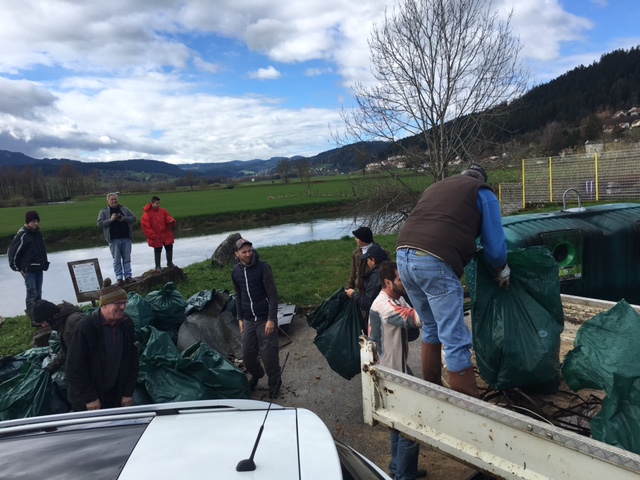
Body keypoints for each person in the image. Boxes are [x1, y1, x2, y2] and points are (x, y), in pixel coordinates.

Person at [396, 164, 509, 398]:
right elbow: (495, 247)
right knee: (454, 337)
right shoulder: (482, 192)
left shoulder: (436, 187)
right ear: (481, 179)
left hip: (403, 256)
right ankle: (468, 408)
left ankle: (433, 391)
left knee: (431, 326)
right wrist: (502, 268)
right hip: (433, 260)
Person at [370, 261, 426, 480]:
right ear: (388, 282)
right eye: (401, 280)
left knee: (396, 424)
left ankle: (398, 467)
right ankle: (403, 475)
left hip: (397, 368)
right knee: (411, 428)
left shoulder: (396, 298)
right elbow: (416, 318)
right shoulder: (386, 307)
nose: (405, 283)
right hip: (390, 373)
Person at [65, 279, 139, 411]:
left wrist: (128, 392)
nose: (123, 307)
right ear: (104, 305)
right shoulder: (86, 327)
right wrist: (90, 398)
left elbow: (133, 360)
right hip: (89, 402)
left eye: (124, 303)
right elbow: (74, 367)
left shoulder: (127, 324)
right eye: (118, 303)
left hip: (115, 397)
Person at [231, 238, 282, 398]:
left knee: (269, 355)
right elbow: (239, 296)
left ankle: (275, 383)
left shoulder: (263, 268)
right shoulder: (236, 272)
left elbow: (273, 295)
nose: (248, 254)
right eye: (244, 252)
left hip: (264, 318)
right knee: (248, 354)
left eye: (250, 251)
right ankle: (257, 373)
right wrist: (240, 318)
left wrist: (271, 319)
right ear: (237, 254)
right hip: (248, 319)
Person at [8, 210, 50, 325]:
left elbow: (42, 251)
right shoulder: (23, 235)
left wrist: (44, 264)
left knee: (39, 294)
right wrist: (17, 268)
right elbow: (13, 253)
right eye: (33, 221)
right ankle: (33, 319)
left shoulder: (38, 234)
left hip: (39, 268)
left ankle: (40, 317)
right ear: (28, 222)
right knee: (32, 293)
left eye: (37, 221)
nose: (36, 223)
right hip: (29, 270)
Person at [31, 299, 86, 373]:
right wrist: (50, 368)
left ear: (49, 317)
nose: (43, 326)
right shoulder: (63, 323)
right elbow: (66, 350)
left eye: (43, 322)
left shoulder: (75, 322)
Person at [345, 244, 389, 333]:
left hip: (381, 323)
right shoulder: (391, 270)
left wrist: (353, 294)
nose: (367, 262)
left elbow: (368, 303)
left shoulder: (375, 277)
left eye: (368, 259)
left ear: (373, 261)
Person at [97, 193, 137, 286]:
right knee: (117, 260)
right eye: (112, 199)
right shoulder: (103, 212)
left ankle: (128, 276)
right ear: (108, 201)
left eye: (115, 199)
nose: (114, 201)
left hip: (126, 238)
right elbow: (99, 224)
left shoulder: (124, 209)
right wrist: (111, 220)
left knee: (127, 258)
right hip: (114, 239)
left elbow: (134, 218)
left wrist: (124, 219)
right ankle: (119, 278)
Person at [141, 195, 177, 270]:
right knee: (157, 249)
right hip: (156, 234)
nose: (158, 205)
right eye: (157, 203)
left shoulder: (162, 211)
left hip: (165, 233)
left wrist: (171, 221)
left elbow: (167, 217)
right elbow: (146, 226)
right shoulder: (147, 214)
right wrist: (152, 235)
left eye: (159, 203)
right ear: (152, 203)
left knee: (169, 247)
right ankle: (157, 266)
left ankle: (170, 263)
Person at [347, 226, 376, 294]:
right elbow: (353, 272)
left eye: (357, 238)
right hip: (360, 291)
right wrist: (349, 288)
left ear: (363, 240)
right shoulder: (357, 253)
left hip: (373, 291)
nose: (355, 239)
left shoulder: (378, 253)